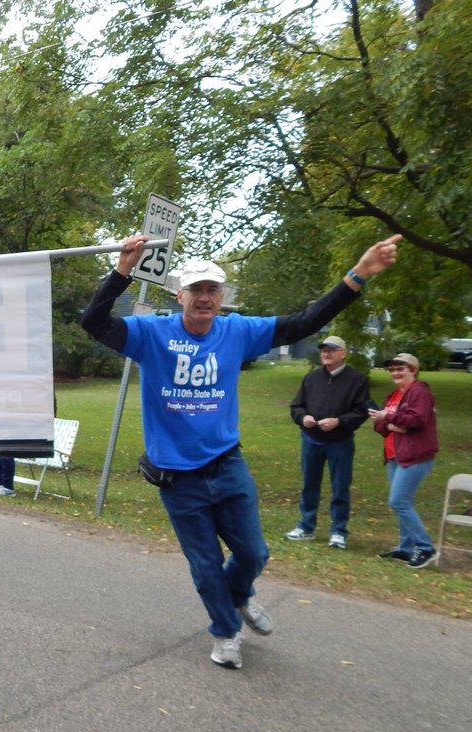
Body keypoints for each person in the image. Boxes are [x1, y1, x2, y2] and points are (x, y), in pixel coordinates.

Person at [82, 233, 401, 669]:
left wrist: (359, 273)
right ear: (180, 295)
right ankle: (226, 632)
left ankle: (239, 597)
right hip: (178, 477)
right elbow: (94, 322)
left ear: (222, 296)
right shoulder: (150, 334)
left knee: (254, 553)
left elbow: (304, 323)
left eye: (213, 289)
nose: (205, 298)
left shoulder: (237, 331)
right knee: (206, 564)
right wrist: (122, 270)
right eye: (196, 289)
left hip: (226, 464)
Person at [284, 335, 371, 549]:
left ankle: (339, 531)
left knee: (340, 487)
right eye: (323, 349)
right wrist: (303, 418)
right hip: (311, 440)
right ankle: (306, 526)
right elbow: (297, 406)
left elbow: (362, 412)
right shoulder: (312, 378)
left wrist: (339, 421)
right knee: (309, 484)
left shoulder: (357, 379)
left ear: (343, 353)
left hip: (339, 442)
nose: (326, 353)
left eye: (331, 350)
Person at [369, 352, 439, 569]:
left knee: (398, 501)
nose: (395, 373)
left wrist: (388, 419)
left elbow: (416, 420)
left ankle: (425, 547)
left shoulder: (420, 393)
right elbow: (379, 425)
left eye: (401, 368)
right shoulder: (393, 396)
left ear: (413, 370)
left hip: (415, 455)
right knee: (403, 502)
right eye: (392, 370)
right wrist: (391, 423)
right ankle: (406, 548)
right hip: (394, 455)